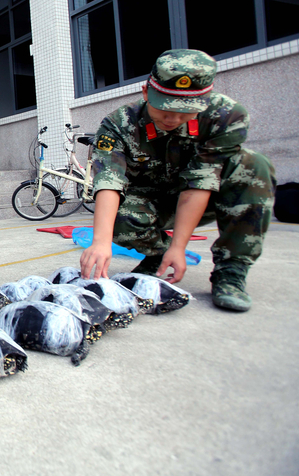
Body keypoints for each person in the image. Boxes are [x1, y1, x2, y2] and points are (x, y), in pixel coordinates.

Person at [79, 49, 275, 312]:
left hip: (204, 198)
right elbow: (109, 181)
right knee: (117, 216)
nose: (172, 119)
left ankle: (231, 271)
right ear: (146, 92)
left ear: (204, 101)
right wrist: (101, 242)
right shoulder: (120, 124)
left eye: (185, 112)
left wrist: (180, 246)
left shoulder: (226, 116)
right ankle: (158, 255)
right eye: (163, 108)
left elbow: (200, 181)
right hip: (151, 204)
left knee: (253, 165)